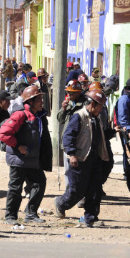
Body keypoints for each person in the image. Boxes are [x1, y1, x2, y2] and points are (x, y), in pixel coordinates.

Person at [55, 90, 109, 227]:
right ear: (92, 104)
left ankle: (90, 218)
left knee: (95, 190)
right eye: (100, 106)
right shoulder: (78, 117)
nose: (101, 109)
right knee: (77, 191)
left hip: (94, 159)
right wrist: (72, 154)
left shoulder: (97, 118)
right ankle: (61, 203)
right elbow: (68, 137)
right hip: (79, 159)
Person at [0, 85, 52, 224]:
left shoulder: (39, 116)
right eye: (39, 99)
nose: (42, 101)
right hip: (18, 159)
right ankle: (10, 216)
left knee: (39, 183)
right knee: (15, 188)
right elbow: (4, 134)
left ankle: (31, 213)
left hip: (32, 160)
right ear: (30, 101)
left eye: (41, 98)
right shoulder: (20, 115)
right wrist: (18, 146)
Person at [57, 80, 85, 188]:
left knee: (78, 170)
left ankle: (78, 193)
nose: (69, 95)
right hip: (67, 141)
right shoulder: (68, 103)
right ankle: (69, 192)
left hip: (79, 141)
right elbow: (60, 119)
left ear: (78, 92)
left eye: (72, 93)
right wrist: (63, 109)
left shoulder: (84, 104)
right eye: (68, 93)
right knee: (68, 170)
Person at [116, 79, 130, 191]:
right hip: (127, 131)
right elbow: (123, 119)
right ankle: (127, 172)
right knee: (127, 153)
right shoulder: (124, 100)